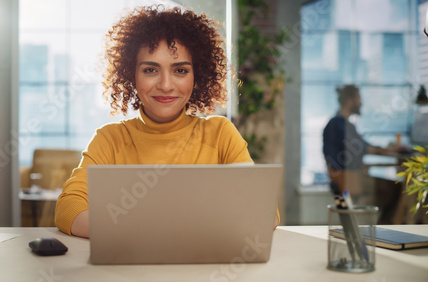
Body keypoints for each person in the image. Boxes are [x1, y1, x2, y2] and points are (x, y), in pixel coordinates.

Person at [55, 6, 279, 238]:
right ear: (131, 75)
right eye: (151, 69)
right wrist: (144, 233)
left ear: (197, 76)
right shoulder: (110, 139)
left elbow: (264, 212)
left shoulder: (220, 133)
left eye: (180, 70)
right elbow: (68, 209)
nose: (165, 85)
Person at [323, 84, 406, 199]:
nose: (361, 103)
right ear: (350, 101)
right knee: (398, 188)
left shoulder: (345, 124)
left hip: (351, 178)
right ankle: (383, 217)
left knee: (395, 188)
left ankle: (382, 217)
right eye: (359, 99)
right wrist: (388, 150)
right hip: (348, 181)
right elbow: (362, 147)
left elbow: (363, 145)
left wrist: (388, 149)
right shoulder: (338, 125)